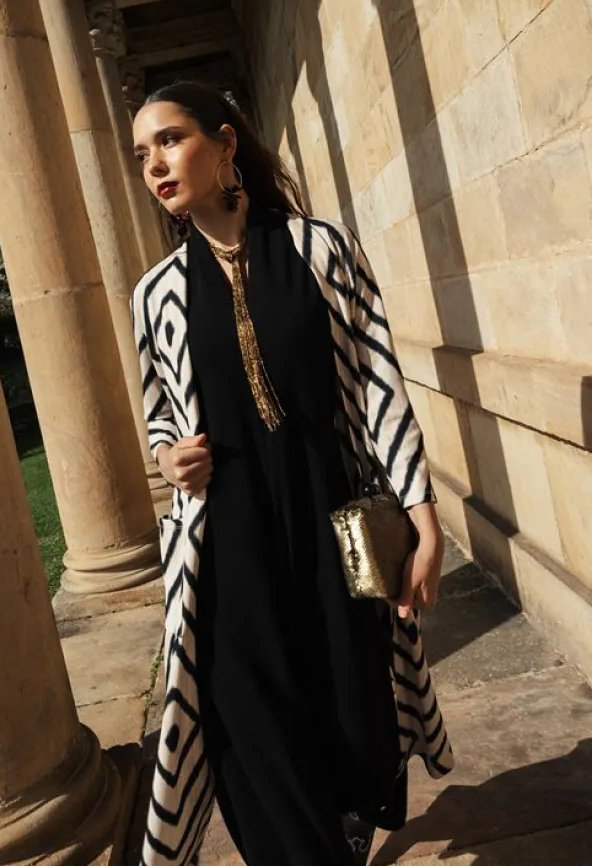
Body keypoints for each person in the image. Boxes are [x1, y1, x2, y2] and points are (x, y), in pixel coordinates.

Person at [130, 81, 453, 866]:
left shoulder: (321, 249)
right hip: (226, 548)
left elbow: (377, 385)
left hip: (330, 525)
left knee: (352, 712)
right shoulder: (156, 295)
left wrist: (423, 516)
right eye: (142, 154)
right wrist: (169, 456)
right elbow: (160, 415)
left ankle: (345, 813)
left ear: (225, 143)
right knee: (249, 730)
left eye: (170, 140)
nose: (155, 165)